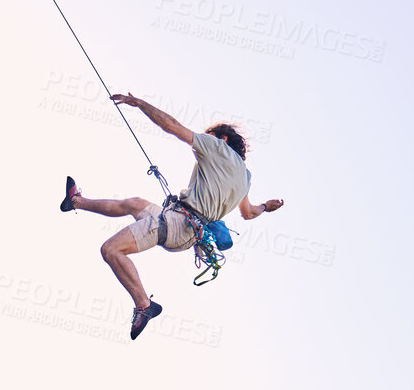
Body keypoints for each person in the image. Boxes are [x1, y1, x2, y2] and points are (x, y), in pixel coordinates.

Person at [61, 94, 285, 339]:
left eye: (208, 136)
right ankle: (76, 201)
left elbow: (172, 127)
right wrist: (266, 206)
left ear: (222, 139)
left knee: (110, 250)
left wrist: (139, 104)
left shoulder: (217, 147)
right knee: (135, 204)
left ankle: (144, 305)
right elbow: (249, 213)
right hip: (184, 227)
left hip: (178, 225)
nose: (201, 141)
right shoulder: (246, 178)